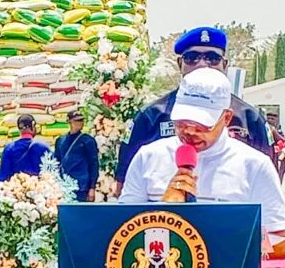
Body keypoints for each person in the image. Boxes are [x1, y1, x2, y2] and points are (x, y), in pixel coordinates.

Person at [119, 68, 285, 259]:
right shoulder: (148, 157)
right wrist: (163, 213)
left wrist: (214, 241)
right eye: (182, 123)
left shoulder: (255, 165)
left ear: (226, 118)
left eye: (202, 125)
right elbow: (120, 231)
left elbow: (280, 242)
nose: (190, 132)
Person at [116, 27, 273, 186]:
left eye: (212, 58)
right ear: (180, 63)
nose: (202, 64)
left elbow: (267, 183)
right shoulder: (151, 116)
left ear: (224, 65)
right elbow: (125, 183)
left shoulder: (249, 118)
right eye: (192, 57)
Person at [54, 110, 99, 202]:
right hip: (63, 185)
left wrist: (92, 187)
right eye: (77, 121)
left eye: (81, 120)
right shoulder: (60, 140)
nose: (80, 123)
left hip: (81, 186)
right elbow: (56, 162)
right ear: (69, 122)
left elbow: (93, 164)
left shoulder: (88, 141)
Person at [0, 114, 52, 182]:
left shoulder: (9, 148)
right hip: (39, 190)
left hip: (16, 190)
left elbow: (2, 177)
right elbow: (52, 174)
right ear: (33, 126)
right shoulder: (43, 147)